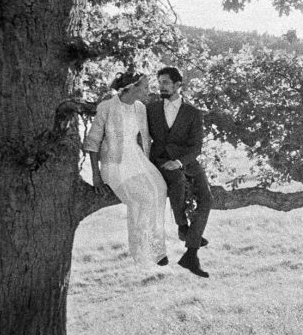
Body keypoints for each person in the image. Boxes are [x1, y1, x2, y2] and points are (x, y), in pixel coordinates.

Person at [84, 71, 167, 266]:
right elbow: (93, 141)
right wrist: (96, 176)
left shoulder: (140, 107)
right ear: (132, 87)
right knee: (142, 199)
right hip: (114, 163)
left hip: (137, 157)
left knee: (160, 188)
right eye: (145, 87)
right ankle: (142, 251)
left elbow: (143, 137)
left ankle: (157, 246)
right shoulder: (107, 107)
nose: (148, 90)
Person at [147, 66, 213, 278]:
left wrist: (179, 161)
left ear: (178, 85)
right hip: (160, 163)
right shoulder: (151, 109)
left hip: (187, 162)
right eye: (160, 82)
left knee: (207, 198)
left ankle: (191, 254)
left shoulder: (193, 113)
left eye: (166, 82)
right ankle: (183, 226)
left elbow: (196, 148)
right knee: (177, 182)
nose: (161, 86)